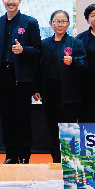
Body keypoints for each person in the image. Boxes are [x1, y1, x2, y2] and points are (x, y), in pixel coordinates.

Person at [0, 0, 41, 164]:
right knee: (7, 117)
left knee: (22, 117)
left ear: (20, 0)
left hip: (22, 78)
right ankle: (10, 155)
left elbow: (38, 51)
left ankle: (24, 155)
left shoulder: (30, 22)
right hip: (3, 76)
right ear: (3, 0)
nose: (11, 2)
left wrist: (24, 50)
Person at [33, 11, 86, 163]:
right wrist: (36, 89)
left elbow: (84, 65)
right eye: (57, 21)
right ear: (51, 23)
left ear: (68, 24)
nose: (60, 24)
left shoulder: (76, 43)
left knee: (69, 128)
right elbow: (38, 68)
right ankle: (56, 159)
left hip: (69, 94)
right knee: (52, 127)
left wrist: (74, 61)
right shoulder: (44, 44)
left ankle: (69, 161)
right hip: (50, 92)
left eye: (63, 21)